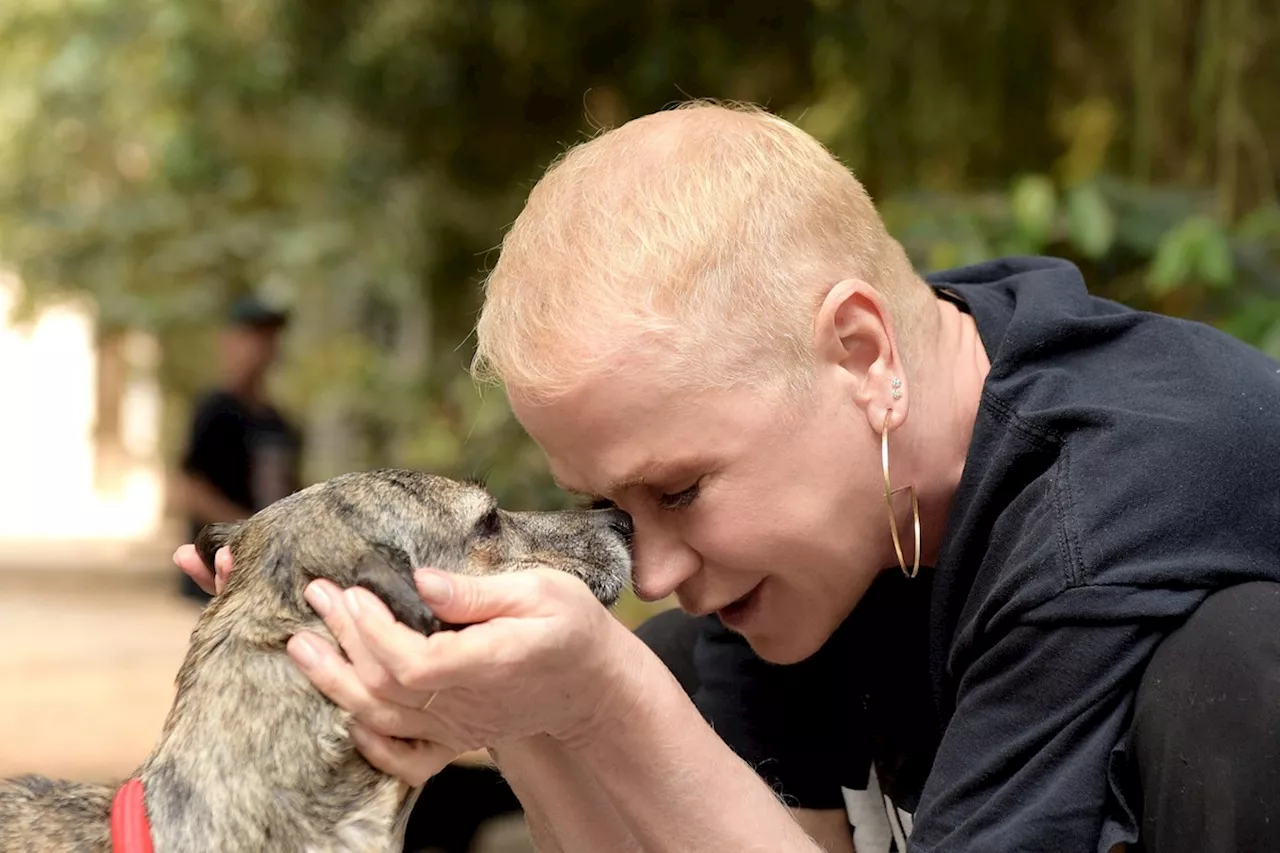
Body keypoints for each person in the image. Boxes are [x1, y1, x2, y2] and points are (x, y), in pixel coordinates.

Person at [176, 101, 1280, 852]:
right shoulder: (844, 496)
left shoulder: (1096, 506)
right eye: (615, 507)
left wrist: (603, 700)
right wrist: (500, 698)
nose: (650, 564)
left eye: (680, 490)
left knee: (1234, 676)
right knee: (673, 665)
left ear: (861, 351)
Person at [173, 295, 303, 603]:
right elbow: (188, 486)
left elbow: (291, 487)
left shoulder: (280, 422)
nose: (261, 347)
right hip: (218, 563)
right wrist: (244, 528)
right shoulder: (215, 411)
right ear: (229, 340)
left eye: (268, 338)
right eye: (252, 336)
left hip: (270, 565)